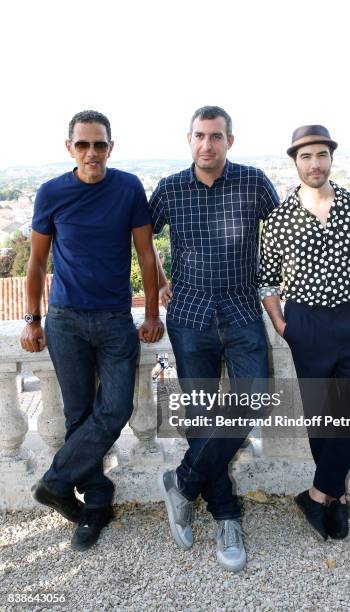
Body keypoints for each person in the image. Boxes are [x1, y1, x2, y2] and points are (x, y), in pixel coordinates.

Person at [20, 110, 164, 551]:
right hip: (64, 320)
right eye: (82, 145)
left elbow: (146, 254)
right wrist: (32, 318)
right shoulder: (50, 193)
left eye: (99, 144)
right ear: (70, 148)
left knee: (116, 407)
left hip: (115, 319)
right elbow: (37, 261)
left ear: (110, 147)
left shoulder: (127, 188)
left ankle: (55, 482)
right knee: (79, 415)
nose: (91, 153)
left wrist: (153, 313)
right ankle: (95, 502)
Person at [149, 105, 280, 571]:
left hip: (243, 309)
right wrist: (159, 278)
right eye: (200, 136)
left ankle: (181, 483)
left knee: (254, 400)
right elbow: (141, 238)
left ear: (230, 140)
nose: (208, 144)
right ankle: (226, 514)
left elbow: (286, 233)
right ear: (189, 139)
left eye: (216, 136)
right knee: (202, 417)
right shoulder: (169, 189)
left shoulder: (254, 182)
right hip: (189, 314)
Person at [258, 125, 350, 540]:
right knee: (322, 415)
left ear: (331, 158)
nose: (314, 164)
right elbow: (266, 280)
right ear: (295, 162)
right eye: (306, 157)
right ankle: (338, 497)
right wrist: (282, 324)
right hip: (307, 323)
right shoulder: (279, 219)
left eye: (321, 155)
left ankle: (317, 493)